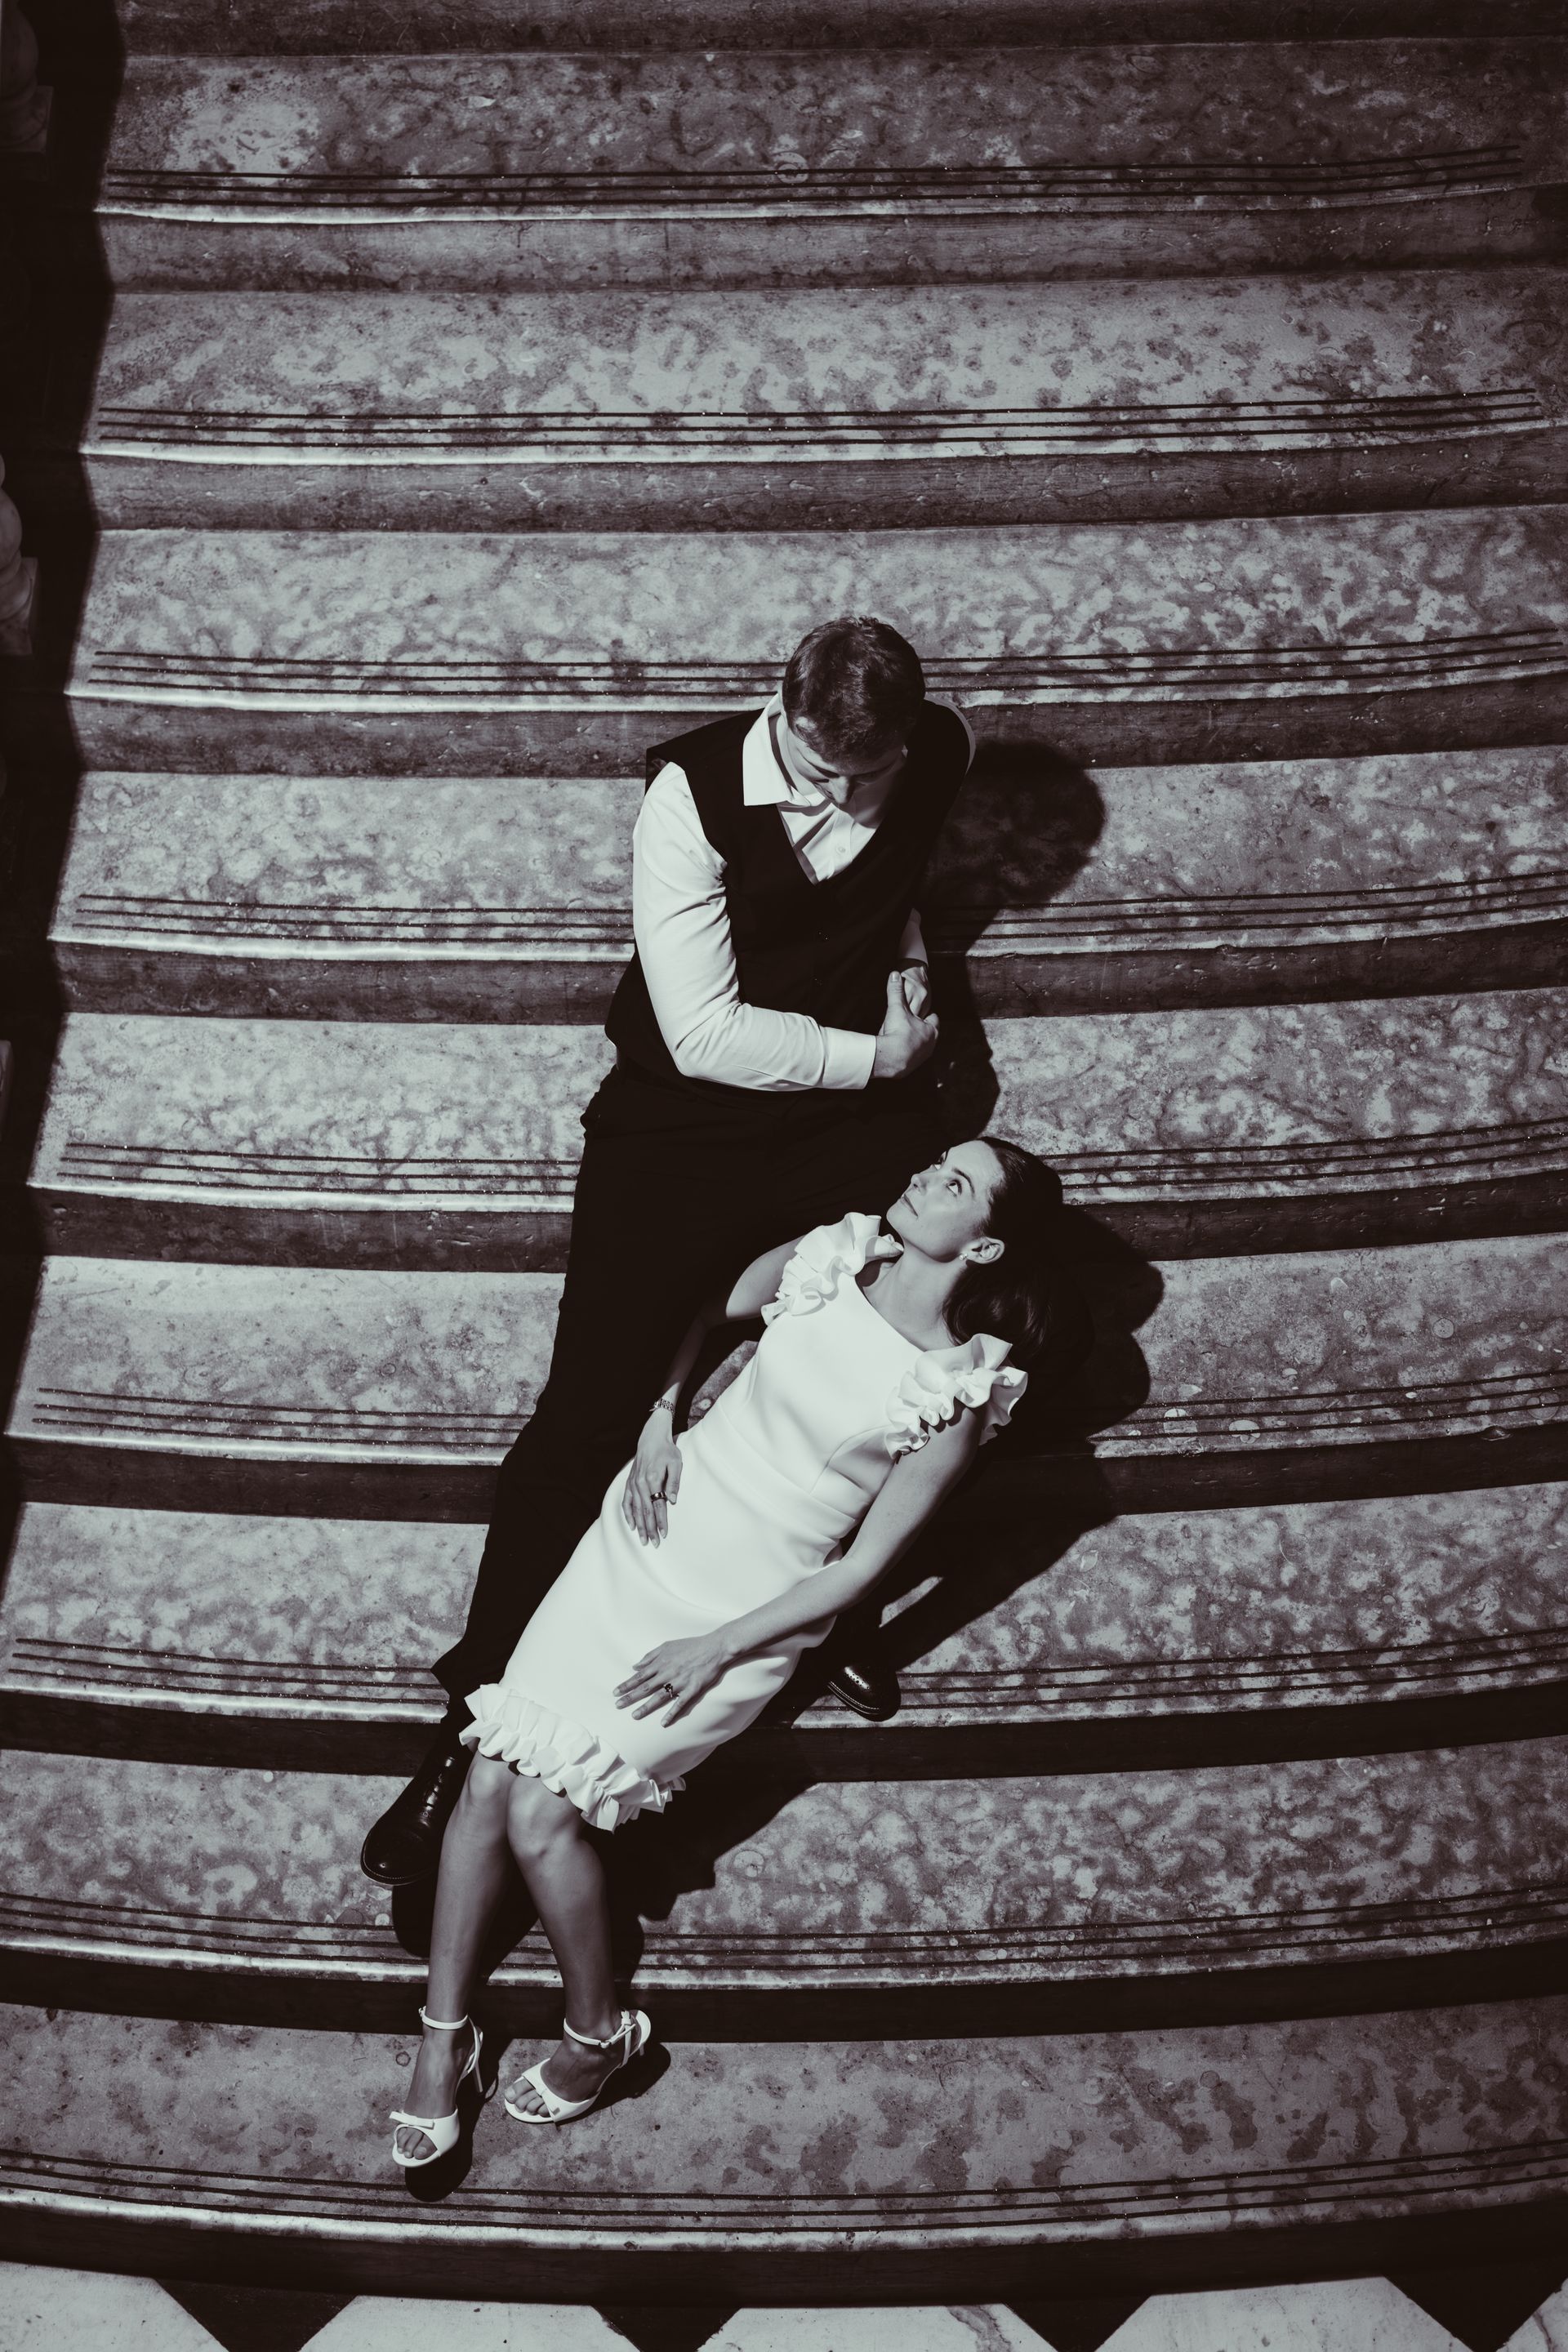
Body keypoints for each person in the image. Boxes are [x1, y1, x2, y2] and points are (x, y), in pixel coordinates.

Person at [363, 616, 978, 1887]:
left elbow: (904, 876)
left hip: (851, 1120)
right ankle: (466, 1729)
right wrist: (882, 1056)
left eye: (876, 771)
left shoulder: (939, 754)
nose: (852, 795)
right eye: (824, 772)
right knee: (587, 1418)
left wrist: (917, 976)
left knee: (948, 1326)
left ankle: (832, 1604)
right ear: (780, 709)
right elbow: (700, 1033)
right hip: (688, 1122)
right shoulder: (689, 794)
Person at [390, 1136, 1070, 2163]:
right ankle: (441, 2046)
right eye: (936, 1163)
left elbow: (859, 1573)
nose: (928, 1178)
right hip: (646, 1534)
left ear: (984, 1249)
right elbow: (713, 1309)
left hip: (749, 1607)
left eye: (958, 1185)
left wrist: (719, 1648)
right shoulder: (837, 1254)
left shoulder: (955, 1391)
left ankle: (600, 2034)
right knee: (490, 1775)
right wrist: (661, 1420)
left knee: (538, 1811)